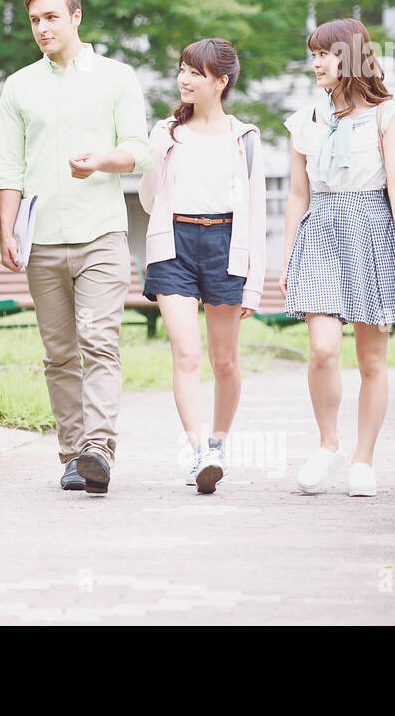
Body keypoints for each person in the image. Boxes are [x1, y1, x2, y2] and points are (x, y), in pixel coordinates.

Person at [0, 0, 154, 495]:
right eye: (35, 20)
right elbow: (8, 167)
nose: (42, 28)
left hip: (101, 235)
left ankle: (99, 448)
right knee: (59, 353)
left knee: (99, 343)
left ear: (76, 16)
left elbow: (139, 149)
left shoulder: (116, 77)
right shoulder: (19, 86)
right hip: (41, 239)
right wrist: (9, 229)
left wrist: (102, 160)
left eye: (52, 17)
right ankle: (72, 454)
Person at [281, 17, 395, 498]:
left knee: (371, 359)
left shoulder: (388, 116)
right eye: (314, 54)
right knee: (323, 349)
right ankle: (328, 444)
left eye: (325, 53)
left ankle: (363, 459)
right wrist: (287, 260)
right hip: (321, 228)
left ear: (352, 55)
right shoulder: (304, 120)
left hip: (372, 228)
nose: (316, 63)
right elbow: (297, 196)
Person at [138, 38, 266, 494]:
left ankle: (219, 441)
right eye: (182, 70)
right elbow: (149, 197)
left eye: (195, 72)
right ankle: (199, 452)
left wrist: (254, 285)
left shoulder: (245, 137)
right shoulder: (165, 133)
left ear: (221, 82)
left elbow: (256, 214)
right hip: (173, 244)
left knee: (225, 360)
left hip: (227, 244)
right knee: (187, 353)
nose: (184, 79)